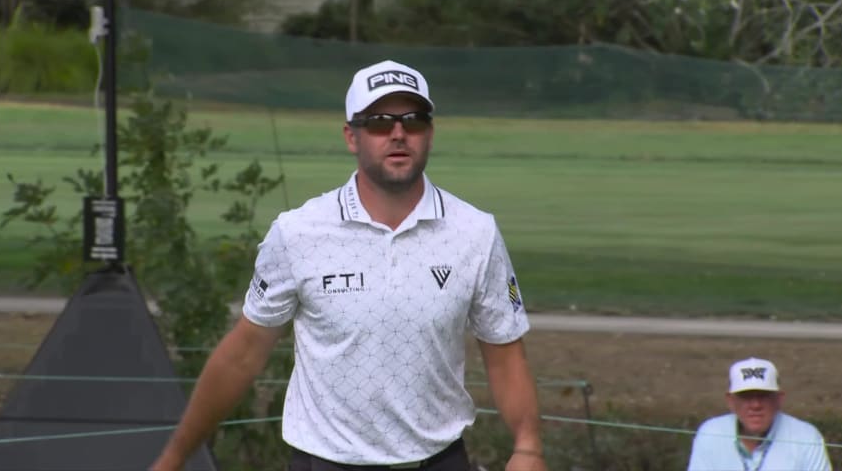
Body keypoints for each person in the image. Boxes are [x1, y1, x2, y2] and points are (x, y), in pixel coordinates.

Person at [151, 60, 547, 471]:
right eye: (378, 122)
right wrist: (174, 458)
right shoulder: (298, 233)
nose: (398, 133)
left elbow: (505, 355)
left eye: (413, 120)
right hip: (325, 461)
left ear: (429, 133)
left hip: (438, 460)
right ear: (351, 137)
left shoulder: (475, 233)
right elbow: (243, 355)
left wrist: (528, 446)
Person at [687, 357, 831, 471]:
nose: (755, 405)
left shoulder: (807, 437)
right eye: (746, 396)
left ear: (779, 399)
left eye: (763, 396)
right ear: (730, 401)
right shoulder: (710, 433)